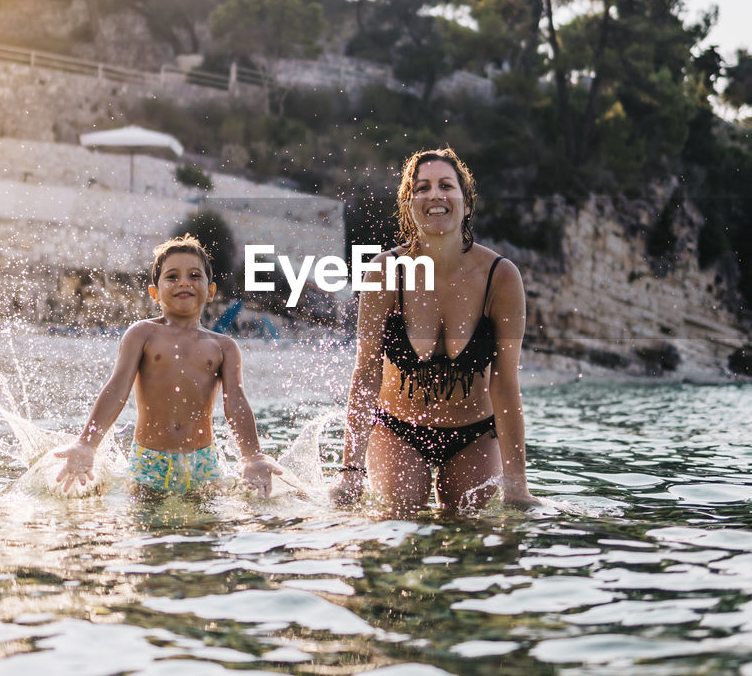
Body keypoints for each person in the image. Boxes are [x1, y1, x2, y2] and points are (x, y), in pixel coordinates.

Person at [332, 147, 538, 513]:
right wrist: (350, 470)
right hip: (399, 428)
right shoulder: (385, 272)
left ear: (467, 202)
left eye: (446, 185)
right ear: (409, 205)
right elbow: (366, 374)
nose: (435, 195)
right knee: (401, 521)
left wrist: (517, 485)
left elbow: (505, 383)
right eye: (422, 188)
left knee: (467, 529)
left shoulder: (500, 278)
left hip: (473, 433)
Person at [54, 235, 279, 498]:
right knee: (147, 530)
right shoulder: (142, 334)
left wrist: (253, 456)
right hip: (148, 461)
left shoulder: (223, 347)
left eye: (195, 275)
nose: (184, 282)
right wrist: (86, 444)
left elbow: (236, 403)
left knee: (207, 531)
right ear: (154, 293)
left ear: (211, 291)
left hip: (202, 464)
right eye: (172, 277)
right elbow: (117, 389)